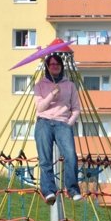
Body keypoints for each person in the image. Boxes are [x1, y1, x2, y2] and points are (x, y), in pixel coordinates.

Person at [33, 52, 82, 205]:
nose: (55, 66)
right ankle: (48, 190)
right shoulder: (40, 85)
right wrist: (52, 95)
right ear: (47, 67)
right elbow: (40, 108)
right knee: (45, 158)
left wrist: (69, 122)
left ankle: (72, 189)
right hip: (44, 122)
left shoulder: (70, 85)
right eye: (52, 64)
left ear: (61, 66)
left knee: (71, 156)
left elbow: (76, 108)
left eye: (57, 64)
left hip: (62, 123)